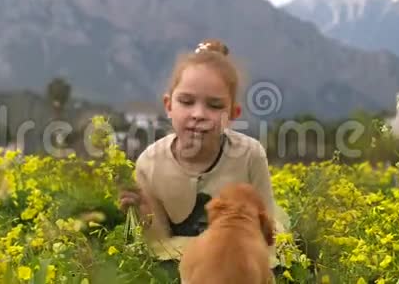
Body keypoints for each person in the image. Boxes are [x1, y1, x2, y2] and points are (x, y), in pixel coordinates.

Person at [119, 38, 291, 277]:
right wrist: (143, 216)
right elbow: (155, 243)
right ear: (168, 105)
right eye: (186, 102)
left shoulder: (250, 154)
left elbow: (266, 233)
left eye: (215, 105)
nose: (198, 114)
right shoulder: (150, 163)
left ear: (232, 114)